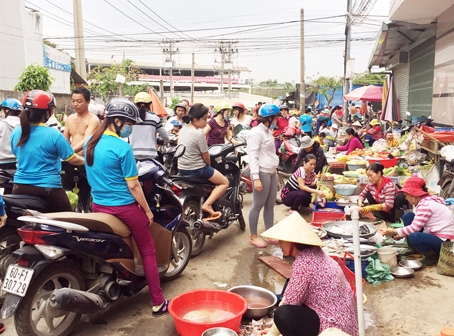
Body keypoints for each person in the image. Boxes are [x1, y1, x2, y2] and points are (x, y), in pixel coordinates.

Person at [84, 98, 169, 316]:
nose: (131, 126)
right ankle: (158, 303)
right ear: (118, 121)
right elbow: (133, 185)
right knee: (148, 251)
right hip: (124, 208)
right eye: (130, 122)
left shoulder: (89, 143)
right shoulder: (122, 147)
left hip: (98, 206)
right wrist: (148, 211)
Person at [261, 213, 359, 336]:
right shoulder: (315, 252)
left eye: (282, 240)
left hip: (333, 325)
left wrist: (271, 334)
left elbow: (290, 303)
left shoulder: (304, 263)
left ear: (293, 242)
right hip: (346, 320)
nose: (279, 243)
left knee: (283, 314)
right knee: (288, 292)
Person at [10, 90, 84, 211]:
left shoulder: (16, 132)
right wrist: (88, 161)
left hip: (19, 187)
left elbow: (16, 153)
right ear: (49, 112)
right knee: (69, 221)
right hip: (49, 188)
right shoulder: (54, 134)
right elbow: (72, 158)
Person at [380, 177, 454, 265]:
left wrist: (393, 231)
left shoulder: (426, 205)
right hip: (433, 233)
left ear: (413, 194)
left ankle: (433, 256)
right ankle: (414, 249)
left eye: (406, 195)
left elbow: (414, 228)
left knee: (414, 236)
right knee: (408, 216)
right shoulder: (426, 200)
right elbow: (417, 223)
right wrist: (400, 233)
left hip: (445, 242)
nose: (406, 198)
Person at [178, 103, 229, 220]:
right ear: (195, 119)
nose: (206, 122)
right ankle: (208, 205)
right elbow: (206, 157)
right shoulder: (199, 134)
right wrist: (209, 166)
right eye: (204, 119)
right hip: (197, 169)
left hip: (182, 169)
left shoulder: (183, 130)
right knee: (224, 182)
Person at [247, 104, 280, 248]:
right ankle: (253, 236)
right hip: (262, 172)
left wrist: (276, 173)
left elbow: (271, 154)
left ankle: (269, 232)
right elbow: (252, 156)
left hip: (271, 171)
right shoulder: (256, 133)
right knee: (257, 205)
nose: (277, 120)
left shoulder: (268, 132)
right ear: (269, 118)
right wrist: (256, 177)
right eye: (276, 117)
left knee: (270, 205)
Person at [129, 92, 169, 160]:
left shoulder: (130, 119)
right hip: (151, 155)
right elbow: (164, 136)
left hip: (133, 155)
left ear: (135, 104)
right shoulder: (155, 119)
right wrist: (167, 141)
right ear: (150, 104)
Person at [64, 87, 100, 154]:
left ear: (88, 102)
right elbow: (64, 141)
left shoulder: (93, 120)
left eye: (79, 101)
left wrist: (70, 152)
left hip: (86, 160)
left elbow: (86, 141)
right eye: (73, 101)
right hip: (71, 159)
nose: (75, 104)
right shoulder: (70, 119)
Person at [0, 98, 23, 167]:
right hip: (18, 163)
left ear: (7, 111)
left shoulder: (1, 125)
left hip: (2, 163)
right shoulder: (24, 126)